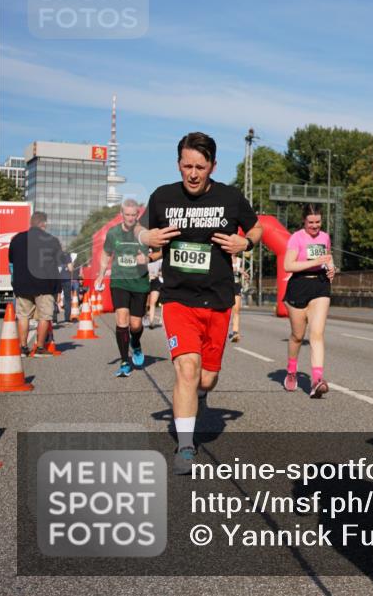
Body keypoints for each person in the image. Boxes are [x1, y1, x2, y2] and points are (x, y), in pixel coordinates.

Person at [136, 132, 261, 475]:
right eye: (186, 166)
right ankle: (186, 445)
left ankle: (201, 396)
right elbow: (138, 229)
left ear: (213, 166)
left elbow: (257, 230)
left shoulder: (230, 198)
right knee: (186, 369)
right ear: (178, 164)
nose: (192, 173)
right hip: (178, 299)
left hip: (218, 301)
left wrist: (244, 243)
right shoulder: (162, 197)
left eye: (200, 167)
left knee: (206, 378)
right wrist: (146, 236)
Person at [95, 198, 155, 377]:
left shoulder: (144, 234)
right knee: (122, 320)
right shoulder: (113, 233)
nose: (130, 218)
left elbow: (160, 251)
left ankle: (135, 344)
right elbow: (106, 253)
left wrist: (147, 259)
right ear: (121, 214)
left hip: (140, 282)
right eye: (127, 214)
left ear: (138, 215)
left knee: (135, 325)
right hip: (119, 281)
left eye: (133, 215)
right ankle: (124, 361)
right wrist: (100, 273)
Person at [281, 206, 335, 398]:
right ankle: (291, 371)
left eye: (318, 222)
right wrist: (315, 262)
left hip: (320, 286)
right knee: (297, 336)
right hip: (299, 286)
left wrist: (331, 267)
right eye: (311, 222)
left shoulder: (325, 237)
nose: (315, 226)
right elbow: (288, 265)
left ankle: (316, 380)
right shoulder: (297, 237)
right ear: (304, 221)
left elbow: (327, 258)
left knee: (317, 333)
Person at [8, 212, 65, 358]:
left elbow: (12, 262)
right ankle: (40, 347)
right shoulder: (51, 240)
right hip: (45, 285)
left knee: (23, 316)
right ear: (44, 224)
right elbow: (59, 264)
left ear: (31, 222)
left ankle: (22, 347)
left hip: (22, 284)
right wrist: (58, 288)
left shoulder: (17, 239)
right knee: (45, 316)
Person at [229, 255, 243, 342]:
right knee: (225, 310)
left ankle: (235, 332)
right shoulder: (225, 257)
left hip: (236, 285)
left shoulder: (239, 260)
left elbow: (240, 271)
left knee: (236, 309)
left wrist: (243, 273)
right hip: (226, 285)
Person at [146, 256, 163, 328]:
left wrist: (157, 275)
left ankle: (151, 322)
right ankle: (146, 317)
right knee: (147, 303)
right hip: (146, 281)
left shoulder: (160, 261)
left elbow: (164, 272)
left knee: (153, 302)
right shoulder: (144, 259)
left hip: (156, 282)